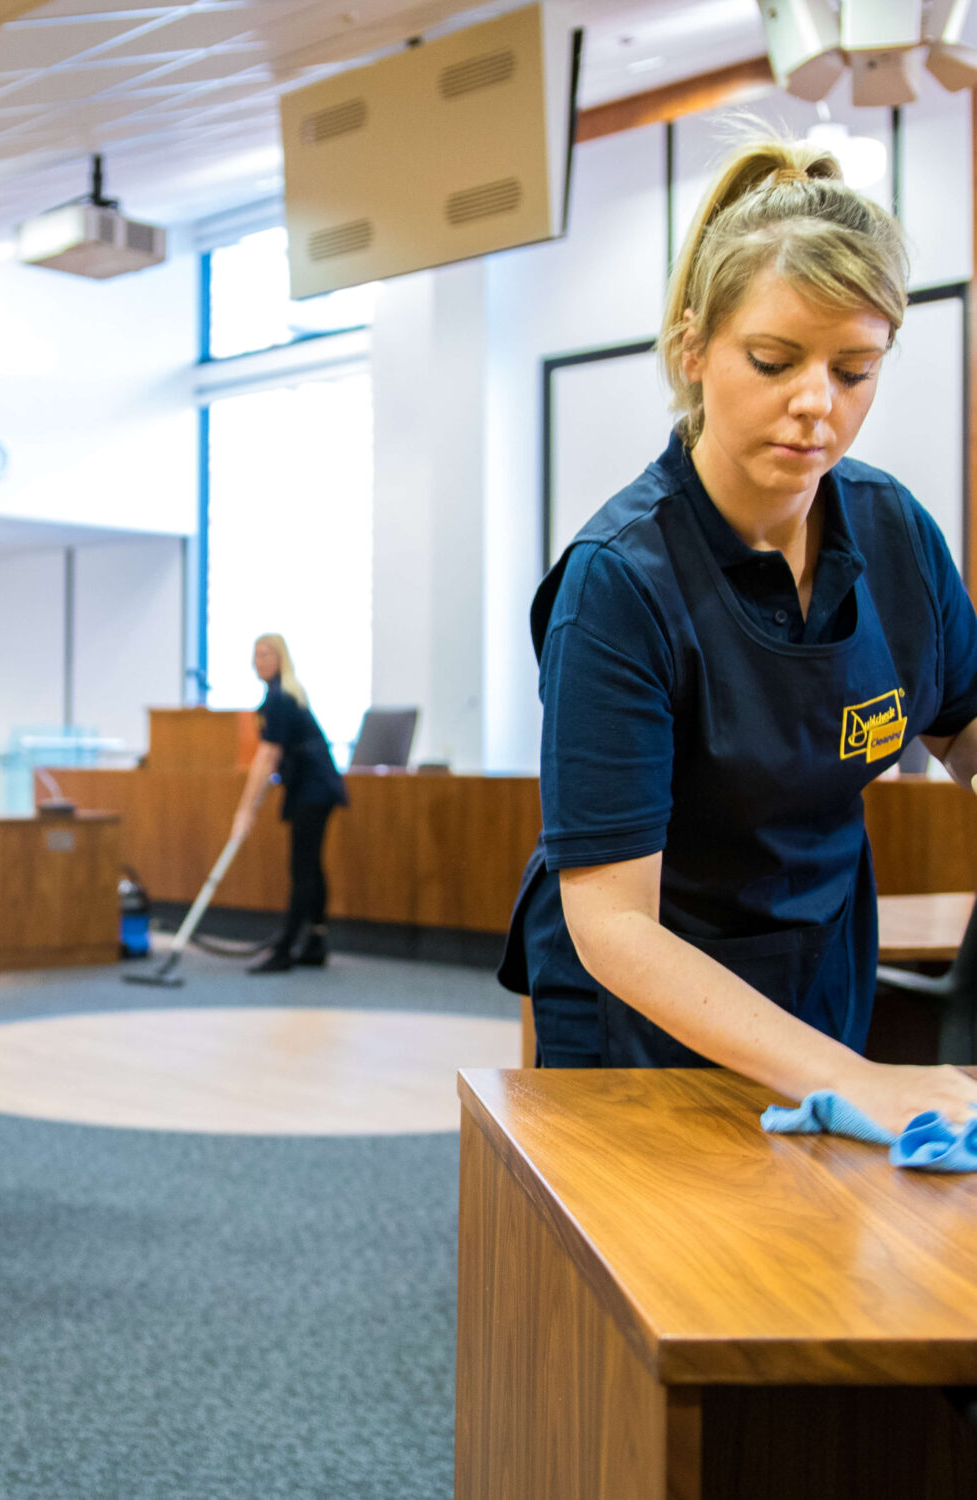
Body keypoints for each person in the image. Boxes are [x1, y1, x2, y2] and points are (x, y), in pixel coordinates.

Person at [498, 136, 977, 1137]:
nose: (817, 404)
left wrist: (842, 1074)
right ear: (694, 352)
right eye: (774, 361)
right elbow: (613, 923)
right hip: (639, 1035)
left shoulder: (895, 534)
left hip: (817, 991)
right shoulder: (619, 584)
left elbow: (964, 727)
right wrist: (856, 1080)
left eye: (855, 370)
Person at [231, 634, 348, 973]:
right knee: (311, 866)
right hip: (311, 789)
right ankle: (314, 941)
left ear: (281, 659)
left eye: (266, 654)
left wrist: (246, 810)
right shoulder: (280, 696)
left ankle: (284, 949)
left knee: (303, 868)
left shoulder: (281, 698)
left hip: (314, 790)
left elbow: (267, 757)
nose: (259, 661)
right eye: (256, 655)